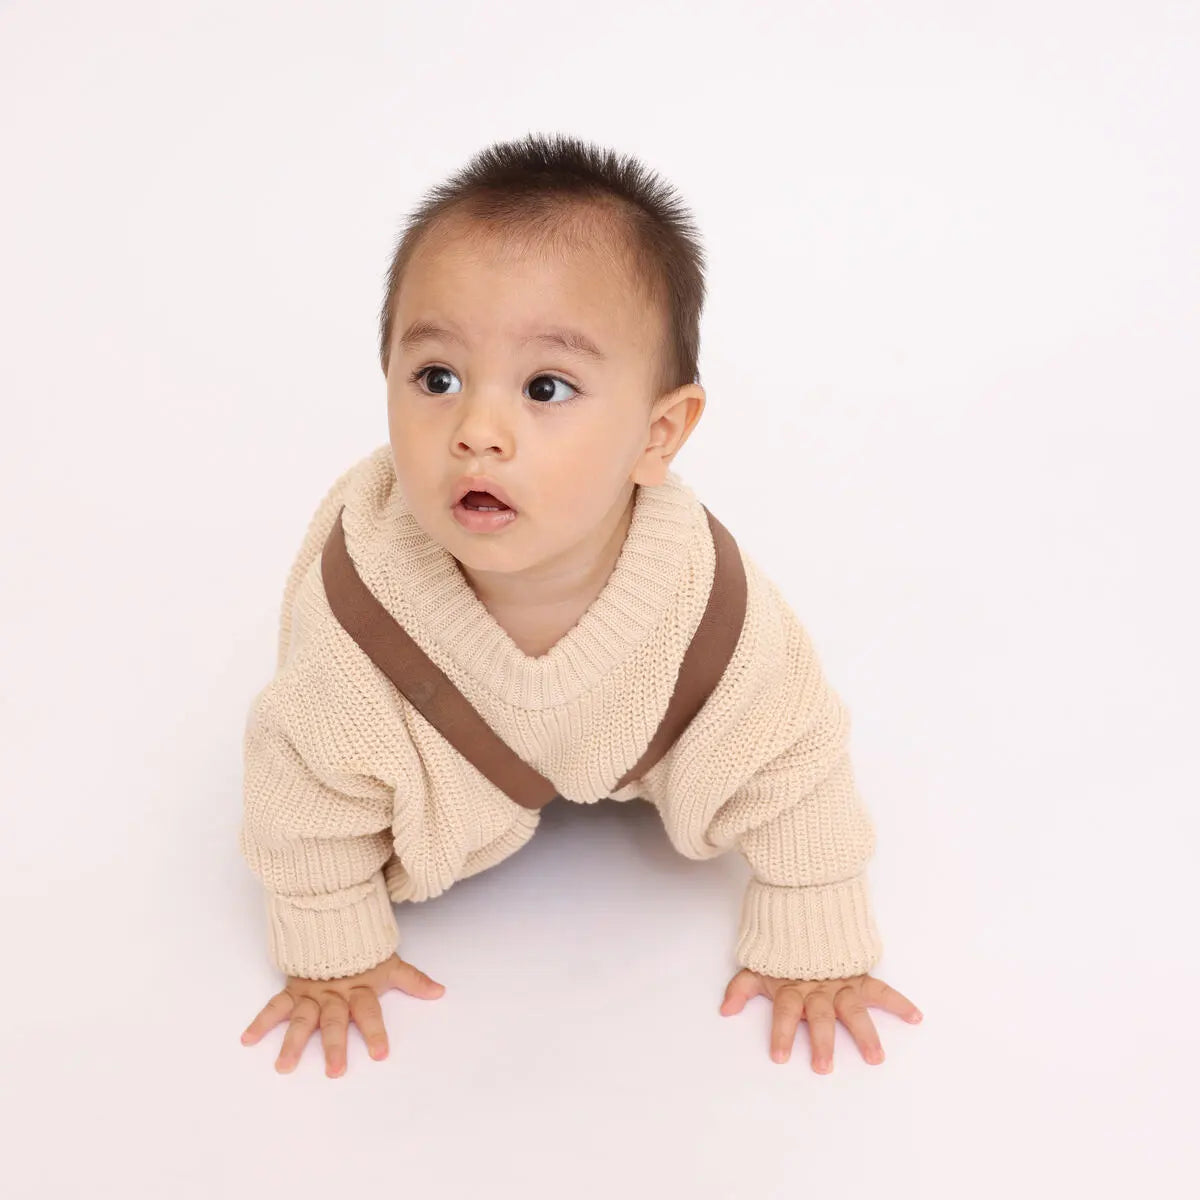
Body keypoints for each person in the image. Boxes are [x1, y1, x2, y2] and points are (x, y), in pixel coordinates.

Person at [237, 132, 923, 1078]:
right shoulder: (360, 617)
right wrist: (333, 949)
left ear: (658, 433)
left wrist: (814, 933)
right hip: (431, 726)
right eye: (436, 378)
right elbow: (301, 794)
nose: (477, 431)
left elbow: (793, 754)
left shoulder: (701, 607)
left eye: (546, 387)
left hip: (641, 721)